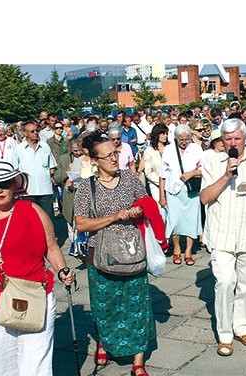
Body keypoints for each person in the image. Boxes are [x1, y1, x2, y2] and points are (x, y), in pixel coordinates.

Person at [0, 160, 75, 376]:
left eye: (4, 183)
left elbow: (51, 247)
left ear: (14, 185)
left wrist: (62, 270)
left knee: (35, 366)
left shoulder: (33, 211)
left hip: (35, 296)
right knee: (3, 367)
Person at [73, 133, 157, 376]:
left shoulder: (130, 178)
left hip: (132, 251)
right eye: (108, 155)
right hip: (99, 255)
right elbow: (81, 224)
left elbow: (147, 204)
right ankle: (104, 341)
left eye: (116, 153)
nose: (114, 158)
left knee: (137, 305)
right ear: (95, 160)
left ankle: (138, 360)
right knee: (105, 305)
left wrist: (138, 209)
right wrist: (113, 217)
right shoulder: (85, 187)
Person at [200, 119, 246, 357]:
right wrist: (225, 176)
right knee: (224, 282)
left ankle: (243, 327)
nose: (232, 143)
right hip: (221, 234)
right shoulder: (211, 160)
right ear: (222, 140)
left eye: (237, 138)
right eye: (227, 139)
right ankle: (224, 334)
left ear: (245, 139)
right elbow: (204, 197)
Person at [159, 124, 203, 266]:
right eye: (181, 139)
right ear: (176, 138)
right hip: (173, 191)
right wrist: (162, 196)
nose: (184, 142)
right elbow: (163, 175)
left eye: (186, 139)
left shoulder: (196, 148)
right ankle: (177, 248)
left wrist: (191, 173)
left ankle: (189, 251)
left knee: (191, 221)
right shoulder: (168, 150)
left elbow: (205, 169)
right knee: (174, 221)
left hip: (191, 192)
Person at [11, 121, 58, 220]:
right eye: (32, 131)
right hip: (28, 191)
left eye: (37, 130)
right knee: (30, 219)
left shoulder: (45, 146)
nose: (35, 133)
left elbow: (52, 167)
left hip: (45, 190)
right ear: (25, 133)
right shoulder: (19, 149)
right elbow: (14, 170)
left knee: (47, 218)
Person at [142, 123, 169, 210]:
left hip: (170, 184)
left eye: (166, 134)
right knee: (161, 209)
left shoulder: (170, 148)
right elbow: (148, 172)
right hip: (155, 184)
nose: (165, 136)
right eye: (163, 134)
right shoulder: (149, 151)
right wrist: (161, 182)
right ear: (157, 135)